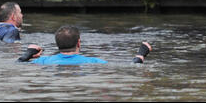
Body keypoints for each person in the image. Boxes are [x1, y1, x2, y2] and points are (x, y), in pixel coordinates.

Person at [17, 25, 153, 65]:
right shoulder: (93, 61)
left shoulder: (43, 61)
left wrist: (29, 53)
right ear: (79, 43)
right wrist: (142, 52)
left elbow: (19, 63)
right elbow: (133, 66)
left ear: (57, 44)